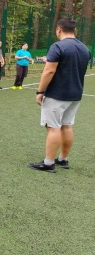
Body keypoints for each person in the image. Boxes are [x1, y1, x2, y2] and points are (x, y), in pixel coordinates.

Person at [28, 17, 91, 173]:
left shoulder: (57, 46)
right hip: (75, 94)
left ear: (59, 30)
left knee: (53, 127)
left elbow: (49, 71)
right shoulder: (84, 48)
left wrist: (40, 91)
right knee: (67, 125)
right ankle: (63, 159)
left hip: (57, 94)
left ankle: (49, 163)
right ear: (74, 30)